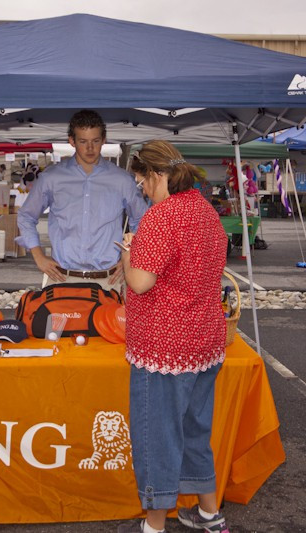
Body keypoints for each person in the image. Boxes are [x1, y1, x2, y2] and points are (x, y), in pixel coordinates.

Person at [116, 141, 229, 533]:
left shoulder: (160, 217)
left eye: (141, 180)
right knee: (195, 431)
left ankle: (154, 525)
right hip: (205, 340)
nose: (141, 188)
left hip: (164, 346)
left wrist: (128, 253)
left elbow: (140, 282)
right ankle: (211, 514)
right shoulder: (205, 210)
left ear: (157, 175)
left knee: (157, 436)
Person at [16, 110, 148, 292]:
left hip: (109, 282)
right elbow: (26, 216)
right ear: (72, 141)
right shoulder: (52, 178)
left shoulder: (122, 180)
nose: (90, 148)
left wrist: (131, 257)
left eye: (95, 141)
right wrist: (38, 256)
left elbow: (142, 220)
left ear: (104, 140)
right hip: (62, 278)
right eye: (83, 141)